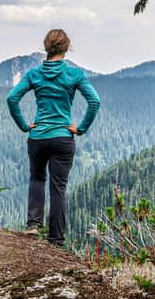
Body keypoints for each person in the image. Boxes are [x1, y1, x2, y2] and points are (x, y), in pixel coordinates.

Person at [6, 29, 100, 246]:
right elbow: (94, 102)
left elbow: (12, 99)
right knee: (59, 187)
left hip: (38, 136)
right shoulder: (75, 75)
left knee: (37, 177)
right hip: (63, 137)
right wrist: (81, 128)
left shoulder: (34, 74)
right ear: (67, 48)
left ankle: (32, 225)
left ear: (46, 47)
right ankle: (56, 240)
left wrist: (24, 125)